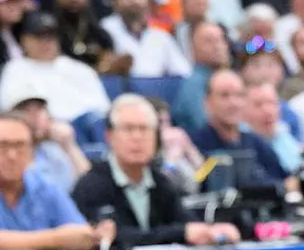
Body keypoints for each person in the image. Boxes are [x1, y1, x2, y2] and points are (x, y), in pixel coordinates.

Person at [71, 94, 240, 248]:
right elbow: (114, 237)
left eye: (144, 129)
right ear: (109, 136)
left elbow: (187, 223)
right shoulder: (90, 186)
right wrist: (181, 233)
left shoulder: (160, 182)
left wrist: (210, 231)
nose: (137, 137)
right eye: (128, 129)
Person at [0, 111, 104, 249]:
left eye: (20, 145)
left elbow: (82, 235)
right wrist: (56, 238)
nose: (12, 155)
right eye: (3, 145)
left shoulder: (43, 186)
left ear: (32, 152)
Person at [188, 69, 290, 190]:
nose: (233, 103)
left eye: (239, 95)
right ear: (208, 102)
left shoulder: (255, 142)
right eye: (224, 95)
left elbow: (285, 181)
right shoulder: (195, 145)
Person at [0, 12, 110, 123]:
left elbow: (103, 107)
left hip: (88, 126)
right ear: (24, 40)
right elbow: (11, 109)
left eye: (50, 37)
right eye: (39, 37)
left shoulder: (80, 68)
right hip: (47, 130)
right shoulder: (15, 69)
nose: (46, 43)